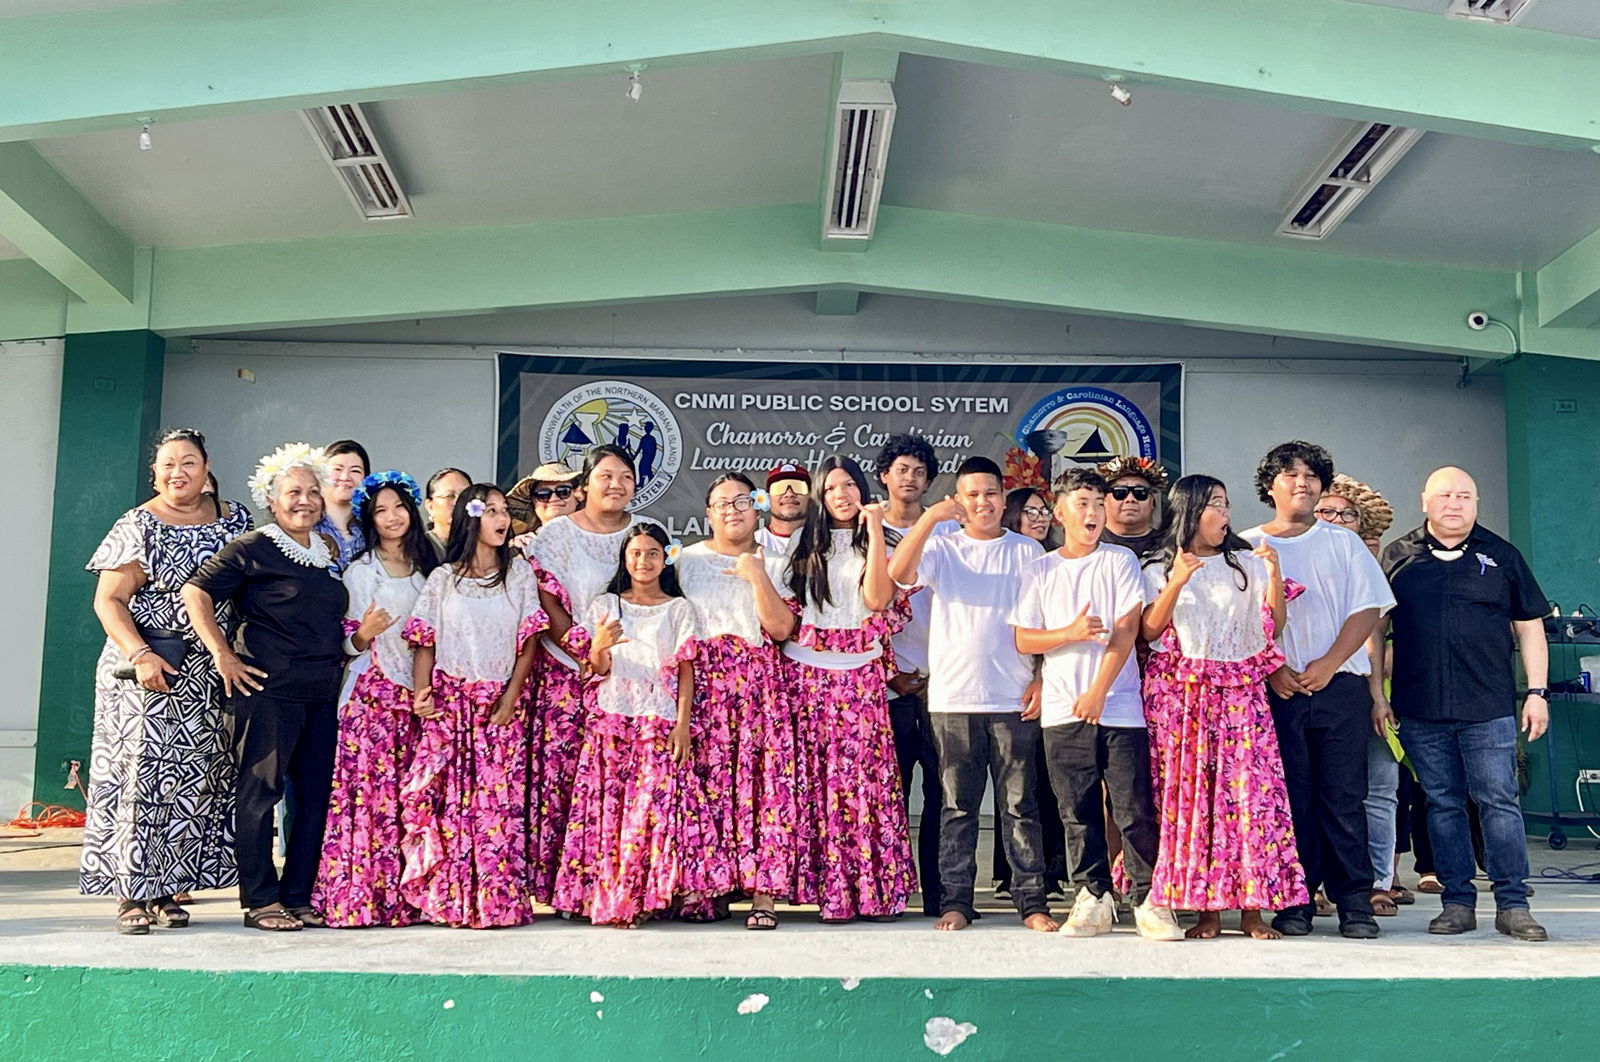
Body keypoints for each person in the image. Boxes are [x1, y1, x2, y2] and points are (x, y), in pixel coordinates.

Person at [81, 428, 252, 934]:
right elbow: (108, 601)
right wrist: (141, 654)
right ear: (154, 472)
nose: (179, 472)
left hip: (209, 669)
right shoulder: (138, 524)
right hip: (146, 668)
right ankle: (132, 894)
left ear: (207, 467)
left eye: (190, 462)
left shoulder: (235, 519)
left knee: (192, 784)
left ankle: (168, 887)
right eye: (168, 464)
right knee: (139, 780)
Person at [1380, 467, 1551, 942]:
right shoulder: (1398, 556)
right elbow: (1375, 631)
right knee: (1442, 804)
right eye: (1444, 495)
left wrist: (1536, 693)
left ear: (1476, 502)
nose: (1454, 503)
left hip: (1489, 706)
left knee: (1498, 801)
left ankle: (1513, 903)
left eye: (1464, 496)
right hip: (1420, 707)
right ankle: (1457, 902)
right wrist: (1377, 694)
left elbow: (1530, 627)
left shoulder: (1502, 555)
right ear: (1424, 501)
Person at [183, 443, 348, 932]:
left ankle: (298, 895)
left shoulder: (326, 550)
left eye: (313, 492)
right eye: (293, 492)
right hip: (267, 690)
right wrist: (223, 654)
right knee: (260, 794)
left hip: (321, 691)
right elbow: (197, 591)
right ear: (272, 501)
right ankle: (260, 899)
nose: (305, 500)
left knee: (314, 797)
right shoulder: (254, 547)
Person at [1010, 468, 1180, 940]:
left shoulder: (1119, 560)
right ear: (1060, 512)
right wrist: (1069, 634)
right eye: (1081, 503)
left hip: (1119, 707)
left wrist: (1100, 690)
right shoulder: (1041, 568)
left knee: (1133, 809)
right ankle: (1093, 897)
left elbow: (1127, 629)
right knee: (1077, 811)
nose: (1092, 512)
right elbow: (1025, 637)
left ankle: (1150, 898)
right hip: (1063, 712)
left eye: (1097, 503)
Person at [888, 457, 1056, 933]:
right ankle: (955, 900)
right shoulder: (943, 548)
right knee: (956, 808)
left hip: (1013, 698)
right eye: (972, 495)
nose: (982, 503)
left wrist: (1041, 678)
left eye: (991, 494)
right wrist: (928, 520)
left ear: (1005, 499)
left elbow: (1043, 620)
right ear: (959, 500)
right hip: (953, 699)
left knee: (1021, 806)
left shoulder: (1030, 552)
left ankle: (1032, 901)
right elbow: (897, 576)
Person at [1140, 474, 1307, 940]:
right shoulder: (1157, 565)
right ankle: (1205, 911)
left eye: (1227, 504)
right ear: (1190, 511)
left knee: (1249, 798)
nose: (1226, 514)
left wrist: (1273, 575)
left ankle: (1254, 910)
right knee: (1194, 801)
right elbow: (1150, 631)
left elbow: (1270, 627)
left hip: (1240, 694)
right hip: (1184, 697)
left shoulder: (1246, 564)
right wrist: (1176, 581)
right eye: (1216, 504)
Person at [1240, 441, 1394, 940]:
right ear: (1270, 486)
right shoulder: (1245, 547)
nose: (1301, 484)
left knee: (1343, 797)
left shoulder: (1343, 543)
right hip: (1276, 691)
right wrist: (1272, 669)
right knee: (1290, 799)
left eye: (1310, 476)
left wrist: (1329, 664)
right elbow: (1236, 625)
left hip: (1339, 687)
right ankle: (1295, 901)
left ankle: (1355, 901)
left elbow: (1367, 609)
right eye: (1289, 475)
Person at [400, 483, 546, 928]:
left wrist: (510, 697)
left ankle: (497, 900)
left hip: (498, 703)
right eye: (492, 511)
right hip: (450, 706)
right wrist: (422, 694)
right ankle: (449, 899)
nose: (502, 519)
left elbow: (529, 640)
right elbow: (426, 639)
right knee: (448, 804)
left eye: (505, 512)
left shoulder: (518, 573)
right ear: (471, 518)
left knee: (496, 806)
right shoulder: (443, 579)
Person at [521, 444, 659, 903]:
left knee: (616, 787)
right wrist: (583, 652)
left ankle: (614, 886)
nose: (615, 484)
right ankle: (563, 891)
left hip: (630, 683)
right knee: (563, 782)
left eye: (625, 476)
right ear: (585, 485)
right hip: (567, 675)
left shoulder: (643, 534)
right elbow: (546, 601)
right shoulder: (558, 535)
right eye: (605, 475)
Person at [780, 456, 916, 921]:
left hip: (861, 678)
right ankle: (822, 891)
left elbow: (878, 599)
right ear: (820, 494)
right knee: (817, 784)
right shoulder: (800, 544)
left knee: (862, 785)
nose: (842, 495)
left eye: (849, 486)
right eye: (832, 488)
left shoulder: (884, 538)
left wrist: (875, 530)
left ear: (863, 490)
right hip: (808, 679)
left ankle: (871, 891)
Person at [553, 524, 707, 926]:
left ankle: (640, 898)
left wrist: (683, 725)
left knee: (647, 811)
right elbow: (595, 668)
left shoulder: (678, 609)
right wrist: (600, 642)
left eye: (652, 553)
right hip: (611, 718)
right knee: (609, 812)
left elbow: (686, 672)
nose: (643, 561)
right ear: (625, 558)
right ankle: (608, 897)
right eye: (636, 553)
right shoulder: (605, 603)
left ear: (665, 558)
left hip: (657, 719)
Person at [311, 471, 437, 927]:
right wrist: (363, 634)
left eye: (398, 507)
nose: (391, 517)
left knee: (413, 799)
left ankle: (411, 895)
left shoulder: (432, 570)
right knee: (369, 800)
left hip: (420, 699)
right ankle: (363, 896)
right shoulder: (361, 573)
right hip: (372, 697)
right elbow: (343, 642)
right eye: (380, 510)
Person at [677, 474, 798, 929]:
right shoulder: (686, 561)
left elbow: (783, 629)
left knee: (762, 786)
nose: (733, 510)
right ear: (708, 513)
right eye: (722, 503)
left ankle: (763, 895)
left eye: (743, 501)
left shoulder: (777, 560)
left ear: (758, 508)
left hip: (758, 686)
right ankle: (710, 888)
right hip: (704, 685)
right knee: (706, 786)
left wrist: (757, 575)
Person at [1315, 475, 1404, 918]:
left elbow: (1377, 637)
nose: (1336, 520)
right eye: (1326, 512)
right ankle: (1316, 882)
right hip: (1312, 688)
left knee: (1379, 789)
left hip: (1368, 689)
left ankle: (1376, 881)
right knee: (1321, 791)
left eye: (1346, 514)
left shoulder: (1370, 565)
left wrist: (1377, 694)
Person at [875, 432, 953, 916]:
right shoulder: (863, 529)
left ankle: (941, 896)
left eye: (920, 471)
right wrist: (890, 674)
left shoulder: (947, 531)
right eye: (902, 469)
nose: (911, 478)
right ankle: (889, 892)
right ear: (884, 475)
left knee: (944, 797)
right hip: (888, 686)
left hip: (944, 682)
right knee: (890, 795)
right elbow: (862, 608)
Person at [992, 485, 1067, 896]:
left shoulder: (1053, 561)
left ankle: (1051, 873)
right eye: (1030, 511)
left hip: (1046, 681)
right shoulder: (1007, 557)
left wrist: (1040, 676)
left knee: (1045, 782)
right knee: (1015, 788)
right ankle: (1008, 874)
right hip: (1001, 683)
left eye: (1044, 511)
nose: (1039, 518)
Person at [1097, 455, 1169, 559]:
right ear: (1104, 499)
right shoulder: (1089, 545)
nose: (1130, 499)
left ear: (1152, 501)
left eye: (1140, 492)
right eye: (1120, 492)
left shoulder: (1168, 547)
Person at [316, 439, 371, 570]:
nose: (345, 477)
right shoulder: (306, 527)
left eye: (355, 471)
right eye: (337, 469)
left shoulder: (373, 526)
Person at [506, 462, 582, 538]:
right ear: (533, 502)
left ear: (577, 496)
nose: (554, 499)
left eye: (563, 492)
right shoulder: (523, 546)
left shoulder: (592, 540)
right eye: (543, 495)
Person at [756, 462, 810, 554]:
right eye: (779, 488)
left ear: (810, 496)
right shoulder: (754, 542)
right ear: (768, 497)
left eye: (798, 487)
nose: (789, 494)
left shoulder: (824, 543)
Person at [422, 467, 470, 559]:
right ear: (430, 506)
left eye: (465, 495)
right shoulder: (417, 549)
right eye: (450, 496)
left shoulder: (481, 547)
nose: (458, 502)